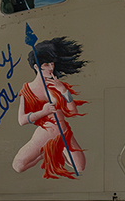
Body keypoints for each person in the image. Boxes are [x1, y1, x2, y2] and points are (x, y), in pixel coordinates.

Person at [12, 36, 87, 178]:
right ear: (36, 66)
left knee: (80, 167)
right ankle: (45, 152)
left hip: (63, 132)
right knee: (18, 165)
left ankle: (56, 150)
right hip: (45, 132)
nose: (51, 68)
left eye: (52, 64)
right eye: (46, 65)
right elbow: (21, 120)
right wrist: (43, 112)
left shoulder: (57, 85)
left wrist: (64, 92)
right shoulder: (28, 89)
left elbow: (73, 111)